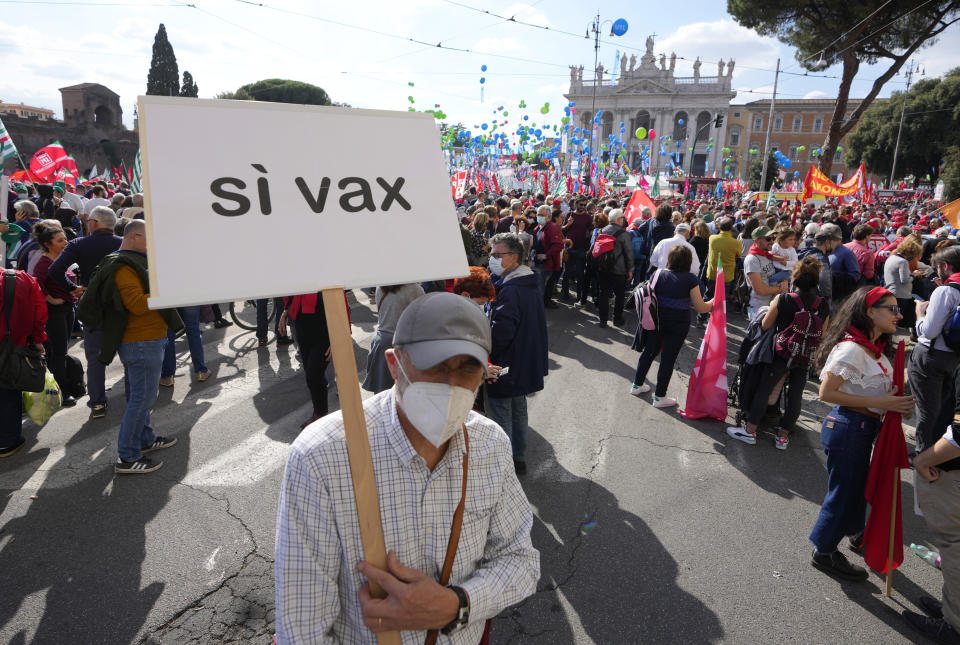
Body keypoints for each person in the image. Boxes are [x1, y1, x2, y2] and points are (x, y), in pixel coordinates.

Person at [274, 291, 540, 643]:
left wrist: (456, 605)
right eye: (435, 365)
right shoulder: (322, 457)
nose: (451, 385)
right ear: (394, 363)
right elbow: (303, 629)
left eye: (467, 368)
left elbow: (521, 560)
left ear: (484, 372)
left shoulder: (489, 444)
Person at [808, 287, 914, 580]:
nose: (899, 314)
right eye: (891, 309)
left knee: (856, 490)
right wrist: (881, 402)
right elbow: (827, 392)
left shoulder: (875, 349)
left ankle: (856, 534)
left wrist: (896, 403)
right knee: (844, 494)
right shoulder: (852, 348)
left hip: (862, 429)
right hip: (847, 428)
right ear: (870, 311)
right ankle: (824, 550)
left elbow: (872, 395)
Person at [76, 220, 183, 474]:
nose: (153, 247)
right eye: (150, 240)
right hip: (140, 341)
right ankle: (127, 456)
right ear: (134, 236)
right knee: (142, 398)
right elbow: (135, 303)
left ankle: (144, 441)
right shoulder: (123, 265)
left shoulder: (128, 261)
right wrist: (167, 289)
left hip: (145, 339)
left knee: (143, 396)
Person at [726, 257, 829, 448]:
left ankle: (750, 431)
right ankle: (782, 437)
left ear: (794, 279)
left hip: (780, 354)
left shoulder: (784, 299)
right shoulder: (822, 305)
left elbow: (765, 325)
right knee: (796, 395)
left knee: (764, 390)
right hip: (804, 355)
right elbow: (821, 334)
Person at [47, 205, 122, 418]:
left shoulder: (79, 243)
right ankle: (132, 395)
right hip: (121, 305)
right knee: (128, 353)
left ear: (95, 223)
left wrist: (73, 288)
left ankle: (97, 402)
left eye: (89, 221)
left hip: (92, 306)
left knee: (95, 357)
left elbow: (54, 270)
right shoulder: (123, 243)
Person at [485, 233, 548, 474]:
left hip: (507, 362)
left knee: (501, 411)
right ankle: (517, 456)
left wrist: (491, 357)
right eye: (492, 254)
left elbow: (501, 332)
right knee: (518, 409)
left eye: (497, 255)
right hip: (523, 360)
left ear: (514, 257)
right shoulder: (526, 281)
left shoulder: (512, 288)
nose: (492, 259)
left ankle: (503, 465)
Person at [630, 246, 712, 408]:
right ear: (688, 261)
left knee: (649, 352)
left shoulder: (658, 273)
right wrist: (714, 302)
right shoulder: (690, 279)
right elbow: (701, 307)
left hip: (655, 320)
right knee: (668, 359)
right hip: (678, 323)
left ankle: (637, 385)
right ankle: (660, 397)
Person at [909, 246, 960, 485]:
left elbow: (929, 331)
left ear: (946, 266)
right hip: (954, 358)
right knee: (944, 407)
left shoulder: (947, 291)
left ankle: (924, 455)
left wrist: (920, 314)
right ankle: (941, 450)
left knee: (928, 409)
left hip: (931, 355)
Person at [907, 423, 960, 643]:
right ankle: (952, 611)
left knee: (954, 547)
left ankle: (954, 625)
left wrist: (922, 460)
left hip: (950, 467)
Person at [30, 223, 78, 407]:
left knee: (62, 349)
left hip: (68, 308)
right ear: (48, 244)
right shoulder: (44, 262)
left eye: (65, 238)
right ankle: (61, 392)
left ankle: (57, 388)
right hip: (55, 312)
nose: (65, 242)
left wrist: (74, 291)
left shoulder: (65, 258)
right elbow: (36, 284)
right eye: (60, 240)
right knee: (59, 352)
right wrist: (50, 298)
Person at [0, 269, 47, 458]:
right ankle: (7, 441)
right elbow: (38, 313)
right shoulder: (20, 278)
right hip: (13, 346)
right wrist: (38, 340)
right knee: (9, 390)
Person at [277, 291, 335, 430]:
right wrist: (285, 312)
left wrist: (338, 336)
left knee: (314, 374)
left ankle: (321, 414)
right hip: (302, 328)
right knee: (311, 374)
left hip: (324, 332)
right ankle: (319, 413)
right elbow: (290, 292)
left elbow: (341, 303)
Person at [362, 282, 425, 394]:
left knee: (382, 393)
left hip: (381, 341)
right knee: (404, 395)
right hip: (403, 345)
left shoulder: (380, 286)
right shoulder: (414, 289)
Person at [594, 208, 634, 328]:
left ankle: (603, 320)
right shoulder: (623, 234)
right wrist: (630, 269)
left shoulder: (601, 230)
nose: (623, 220)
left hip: (603, 268)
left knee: (604, 294)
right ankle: (617, 319)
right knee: (620, 295)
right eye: (622, 218)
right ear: (618, 219)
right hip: (619, 269)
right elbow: (629, 253)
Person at [159, 304, 212, 387]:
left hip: (168, 298)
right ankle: (201, 371)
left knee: (168, 334)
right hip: (189, 296)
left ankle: (167, 376)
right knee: (193, 331)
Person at [743, 226, 789, 319]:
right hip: (758, 308)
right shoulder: (752, 259)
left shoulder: (767, 255)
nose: (772, 241)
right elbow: (760, 290)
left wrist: (784, 281)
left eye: (773, 238)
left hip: (771, 304)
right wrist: (781, 289)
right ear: (757, 240)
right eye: (768, 239)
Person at [883, 238, 922, 335]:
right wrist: (914, 275)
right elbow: (905, 280)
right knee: (896, 321)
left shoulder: (891, 258)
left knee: (889, 319)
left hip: (891, 292)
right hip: (901, 295)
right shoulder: (903, 262)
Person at [559, 198, 593, 302]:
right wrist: (568, 224)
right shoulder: (570, 215)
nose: (583, 207)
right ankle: (565, 294)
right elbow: (562, 229)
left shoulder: (588, 216)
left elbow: (591, 231)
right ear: (576, 204)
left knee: (580, 274)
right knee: (567, 272)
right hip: (569, 248)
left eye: (584, 205)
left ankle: (579, 297)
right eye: (581, 204)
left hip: (582, 249)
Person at [533, 205, 563, 309]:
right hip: (537, 262)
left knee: (541, 287)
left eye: (542, 215)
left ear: (548, 217)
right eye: (538, 214)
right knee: (539, 287)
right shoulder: (538, 228)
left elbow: (558, 245)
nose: (539, 217)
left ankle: (539, 309)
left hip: (546, 264)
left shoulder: (551, 228)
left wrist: (546, 255)